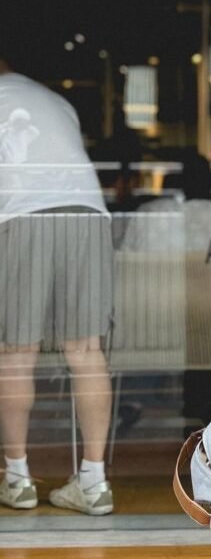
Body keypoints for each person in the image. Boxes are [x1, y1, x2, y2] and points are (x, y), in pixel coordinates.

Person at [0, 55, 114, 514]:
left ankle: (17, 479)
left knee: (17, 350)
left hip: (22, 214)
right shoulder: (54, 99)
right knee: (85, 349)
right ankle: (93, 482)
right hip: (88, 212)